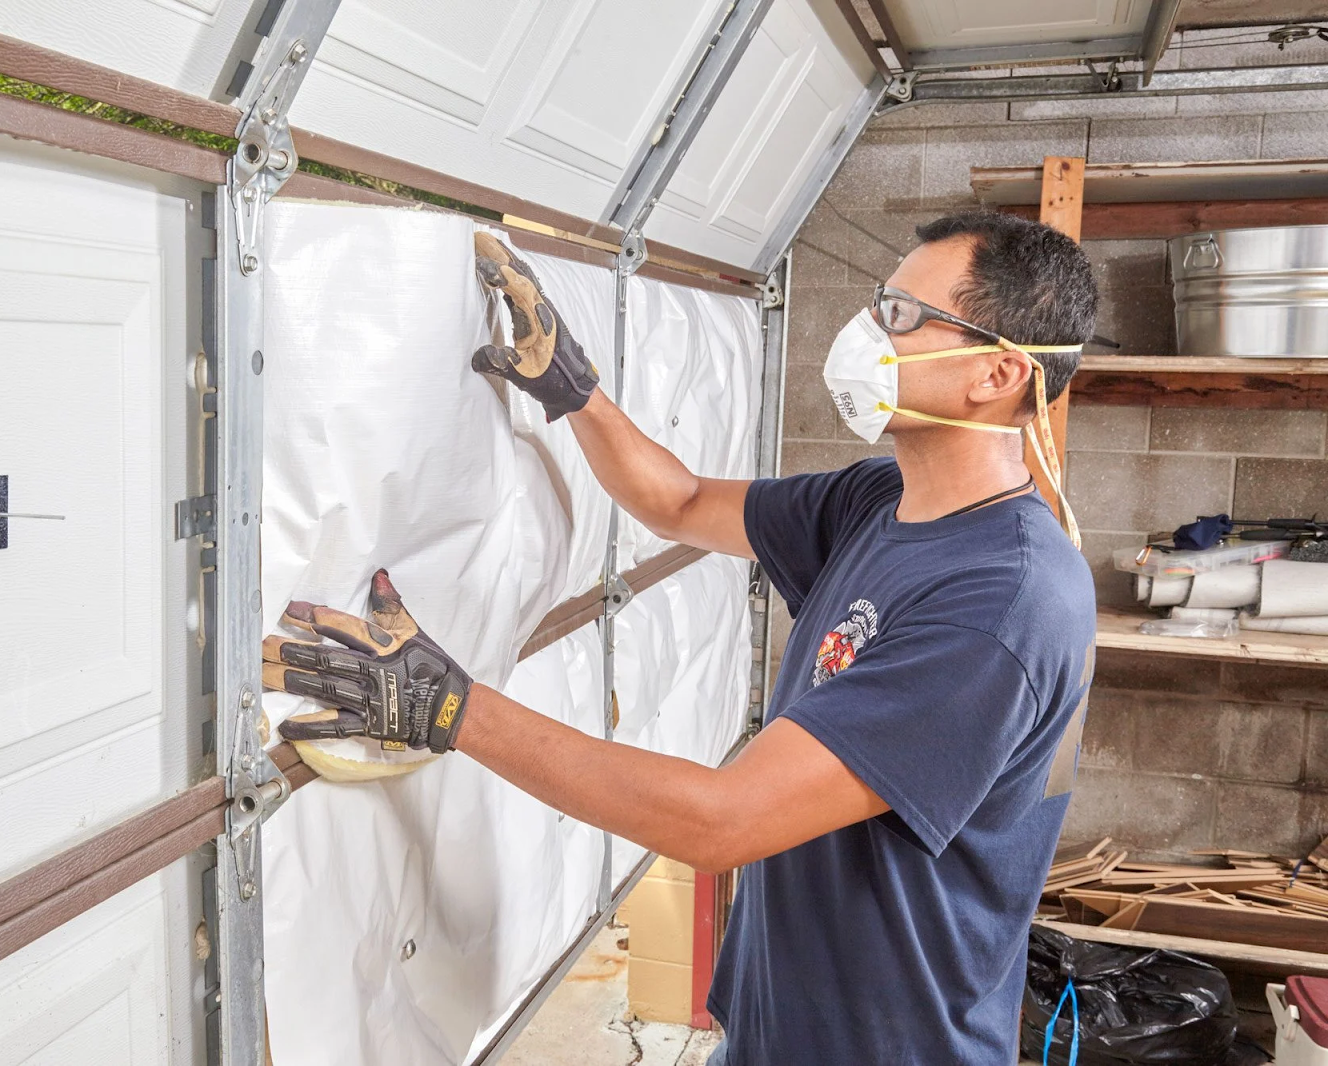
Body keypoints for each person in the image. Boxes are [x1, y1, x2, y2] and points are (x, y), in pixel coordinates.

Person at [268, 212, 1100, 1065]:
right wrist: (575, 392)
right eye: (878, 304)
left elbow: (721, 820)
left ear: (997, 372)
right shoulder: (879, 502)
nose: (867, 333)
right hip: (778, 1031)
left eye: (901, 315)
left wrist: (451, 708)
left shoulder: (1002, 602)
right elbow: (684, 502)